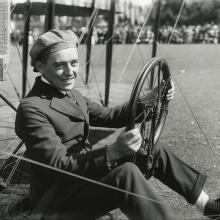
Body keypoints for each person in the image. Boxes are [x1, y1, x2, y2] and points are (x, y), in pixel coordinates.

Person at [15, 29, 219, 220]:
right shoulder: (31, 108)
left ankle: (207, 205)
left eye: (74, 63)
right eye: (60, 65)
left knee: (151, 149)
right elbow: (59, 166)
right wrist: (113, 151)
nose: (70, 72)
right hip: (57, 201)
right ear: (40, 67)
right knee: (126, 174)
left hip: (84, 179)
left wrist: (152, 99)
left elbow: (110, 116)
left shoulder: (74, 95)